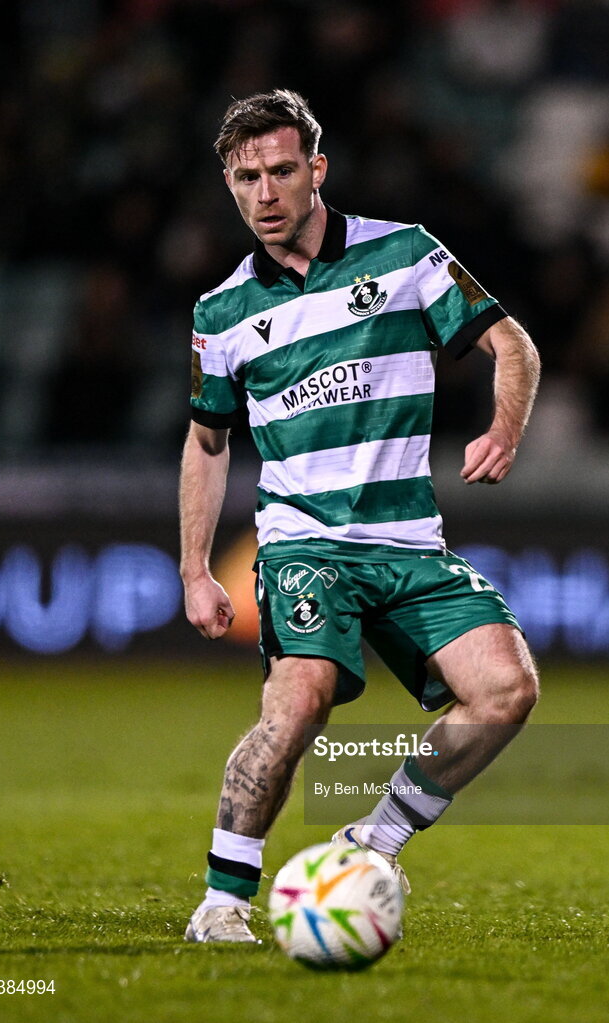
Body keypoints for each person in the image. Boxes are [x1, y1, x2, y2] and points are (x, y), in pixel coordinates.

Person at [179, 90, 541, 943]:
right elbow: (205, 443)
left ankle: (372, 840)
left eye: (277, 171)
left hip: (409, 542)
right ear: (228, 185)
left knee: (505, 691)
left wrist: (504, 427)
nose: (263, 194)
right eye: (243, 179)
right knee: (299, 700)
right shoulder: (220, 313)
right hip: (303, 541)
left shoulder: (406, 254)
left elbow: (510, 342)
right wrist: (195, 566)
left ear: (316, 169)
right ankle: (223, 899)